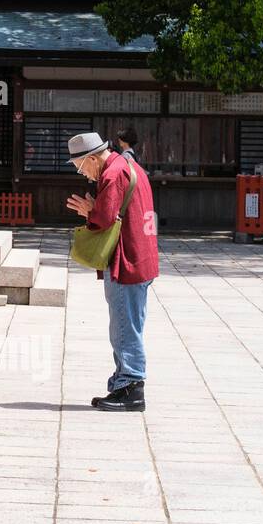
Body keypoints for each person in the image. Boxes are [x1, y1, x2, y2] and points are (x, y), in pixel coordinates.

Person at [65, 132, 159, 412]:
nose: (84, 175)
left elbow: (105, 218)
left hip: (126, 259)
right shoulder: (127, 165)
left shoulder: (112, 173)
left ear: (93, 158)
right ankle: (121, 383)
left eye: (81, 167)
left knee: (123, 325)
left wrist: (90, 211)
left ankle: (131, 387)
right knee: (129, 323)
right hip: (141, 255)